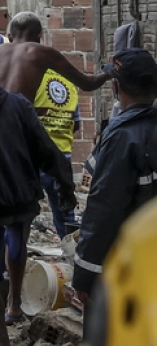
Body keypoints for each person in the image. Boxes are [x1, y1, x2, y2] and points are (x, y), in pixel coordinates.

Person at [0, 43, 76, 340]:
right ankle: (14, 306)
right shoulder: (18, 105)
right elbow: (46, 148)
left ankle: (1, 338)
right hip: (21, 197)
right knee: (17, 244)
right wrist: (65, 185)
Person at [0, 11, 111, 237]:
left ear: (9, 34)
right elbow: (87, 83)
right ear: (39, 36)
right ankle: (69, 245)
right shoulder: (42, 53)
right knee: (58, 177)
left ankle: (1, 267)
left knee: (5, 216)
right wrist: (108, 74)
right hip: (23, 137)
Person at [73, 48, 157, 318]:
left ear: (116, 86)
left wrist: (86, 274)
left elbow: (104, 210)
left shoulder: (122, 138)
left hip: (129, 263)